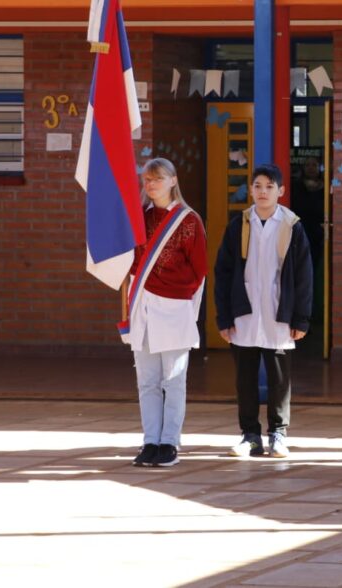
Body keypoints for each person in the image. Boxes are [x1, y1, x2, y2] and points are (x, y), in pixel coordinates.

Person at [215, 164, 314, 459]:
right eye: (257, 186)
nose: (262, 192)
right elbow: (223, 272)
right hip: (244, 312)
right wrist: (224, 316)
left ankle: (278, 433)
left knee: (279, 378)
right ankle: (250, 435)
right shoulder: (239, 225)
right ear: (250, 190)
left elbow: (304, 276)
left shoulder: (292, 226)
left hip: (278, 311)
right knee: (244, 378)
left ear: (281, 191)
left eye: (269, 186)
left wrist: (301, 318)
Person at [125, 158, 207, 468]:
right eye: (147, 179)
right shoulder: (139, 218)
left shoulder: (189, 220)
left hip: (174, 308)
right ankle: (150, 441)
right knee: (147, 380)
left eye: (158, 178)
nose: (151, 184)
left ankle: (169, 441)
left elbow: (199, 270)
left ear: (173, 181)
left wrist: (180, 300)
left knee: (173, 380)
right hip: (143, 306)